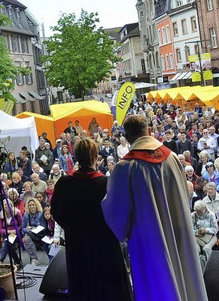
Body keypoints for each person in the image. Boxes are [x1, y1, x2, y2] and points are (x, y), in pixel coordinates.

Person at [102, 115, 207, 301]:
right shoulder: (172, 158)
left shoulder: (124, 168)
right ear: (148, 131)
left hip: (149, 241)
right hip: (179, 232)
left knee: (158, 286)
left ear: (126, 137)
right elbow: (185, 194)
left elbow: (116, 215)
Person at [52, 138, 131, 301]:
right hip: (104, 243)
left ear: (76, 157)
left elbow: (56, 211)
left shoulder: (65, 183)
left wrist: (73, 227)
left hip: (77, 244)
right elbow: (118, 212)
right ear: (96, 156)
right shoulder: (106, 183)